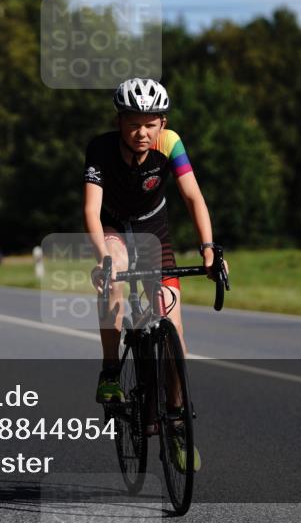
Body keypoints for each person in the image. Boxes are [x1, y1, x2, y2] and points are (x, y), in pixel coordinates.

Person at [83, 77, 224, 472]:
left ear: (162, 123)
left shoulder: (171, 144)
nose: (141, 132)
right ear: (119, 121)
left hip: (153, 229)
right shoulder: (101, 149)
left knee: (174, 330)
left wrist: (208, 248)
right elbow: (91, 210)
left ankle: (176, 421)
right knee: (116, 274)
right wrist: (102, 259)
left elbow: (193, 196)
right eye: (132, 123)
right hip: (114, 228)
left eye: (150, 123)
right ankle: (111, 371)